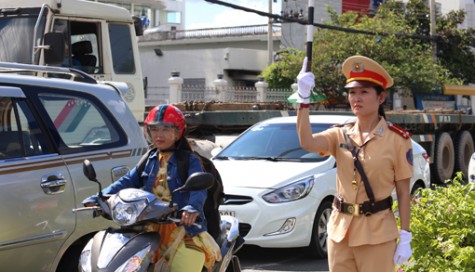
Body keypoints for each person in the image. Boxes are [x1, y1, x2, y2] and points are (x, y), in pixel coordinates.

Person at [295, 56, 413, 271]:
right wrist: (303, 100)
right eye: (352, 92)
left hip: (377, 235)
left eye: (364, 92)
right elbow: (307, 142)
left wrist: (405, 235)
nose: (356, 98)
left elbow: (404, 193)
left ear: (381, 97)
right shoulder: (340, 134)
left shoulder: (397, 139)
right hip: (340, 232)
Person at [83, 104, 221, 272]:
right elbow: (128, 181)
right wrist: (100, 196)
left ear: (178, 132)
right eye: (154, 129)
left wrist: (192, 208)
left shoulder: (189, 159)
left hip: (181, 227)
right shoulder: (150, 158)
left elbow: (198, 188)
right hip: (148, 225)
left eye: (165, 129)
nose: (159, 135)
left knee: (185, 264)